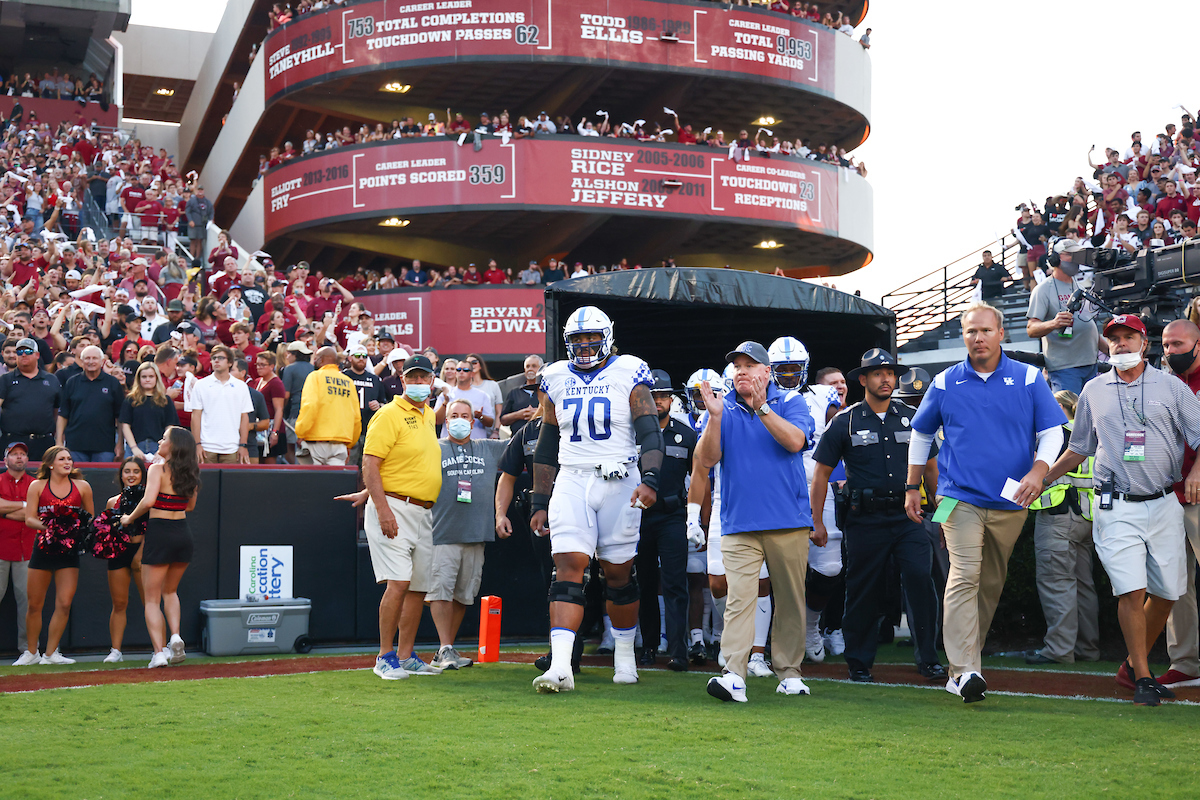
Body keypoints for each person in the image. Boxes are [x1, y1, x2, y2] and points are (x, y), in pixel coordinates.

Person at [906, 303, 1066, 704]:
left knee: (990, 584)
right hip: (957, 498)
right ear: (963, 336)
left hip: (1013, 500)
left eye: (984, 330)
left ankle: (965, 663)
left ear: (1001, 333)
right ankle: (965, 670)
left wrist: (1038, 472)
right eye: (969, 331)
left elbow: (1052, 433)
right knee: (963, 574)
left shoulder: (1029, 377)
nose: (977, 338)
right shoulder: (944, 381)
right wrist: (913, 487)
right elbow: (921, 436)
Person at [1043, 314, 1200, 705]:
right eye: (1114, 339)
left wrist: (1197, 471)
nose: (1121, 345)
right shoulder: (1093, 390)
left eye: (1129, 338)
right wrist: (1044, 477)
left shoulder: (1173, 387)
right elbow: (1080, 447)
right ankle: (1143, 677)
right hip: (1115, 503)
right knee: (1131, 590)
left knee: (1168, 592)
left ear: (1143, 343)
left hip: (1165, 501)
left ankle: (1132, 664)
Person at [529, 306, 664, 692]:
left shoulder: (630, 370)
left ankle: (624, 653)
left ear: (607, 336)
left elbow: (649, 430)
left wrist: (651, 478)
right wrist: (540, 500)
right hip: (572, 478)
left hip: (619, 478)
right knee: (568, 566)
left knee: (618, 573)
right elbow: (548, 440)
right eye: (577, 340)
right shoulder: (554, 376)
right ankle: (560, 667)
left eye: (591, 338)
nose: (585, 345)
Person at [812, 349, 946, 683]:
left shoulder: (913, 418)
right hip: (864, 520)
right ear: (863, 379)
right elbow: (820, 475)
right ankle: (858, 663)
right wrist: (817, 522)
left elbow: (934, 472)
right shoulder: (845, 421)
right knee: (862, 590)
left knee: (920, 581)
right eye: (877, 374)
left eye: (890, 373)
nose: (886, 379)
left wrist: (943, 518)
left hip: (909, 518)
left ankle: (929, 658)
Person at [695, 341, 816, 702]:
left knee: (791, 600)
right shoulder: (721, 407)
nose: (742, 371)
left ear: (767, 372)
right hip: (739, 522)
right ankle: (734, 673)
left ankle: (789, 673)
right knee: (739, 600)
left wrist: (761, 407)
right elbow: (707, 459)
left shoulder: (791, 401)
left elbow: (795, 441)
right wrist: (715, 417)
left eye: (751, 365)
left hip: (788, 520)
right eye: (737, 366)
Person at [337, 355, 444, 680]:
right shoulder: (388, 413)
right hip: (394, 507)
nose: (417, 383)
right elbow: (370, 463)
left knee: (416, 588)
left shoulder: (427, 415)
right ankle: (384, 656)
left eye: (423, 377)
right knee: (398, 583)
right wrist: (381, 507)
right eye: (412, 377)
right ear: (402, 377)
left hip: (423, 511)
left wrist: (372, 495)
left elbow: (401, 465)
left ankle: (406, 654)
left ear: (431, 380)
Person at [426, 399, 509, 670]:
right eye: (454, 416)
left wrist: (541, 409)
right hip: (441, 534)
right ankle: (444, 647)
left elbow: (521, 442)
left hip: (476, 535)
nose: (459, 420)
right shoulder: (432, 448)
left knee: (463, 595)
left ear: (472, 422)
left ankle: (447, 648)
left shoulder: (487, 447)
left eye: (465, 416)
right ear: (446, 421)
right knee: (440, 591)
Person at [1024, 390, 1100, 666]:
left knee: (1057, 583)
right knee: (1083, 584)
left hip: (1058, 516)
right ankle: (1087, 648)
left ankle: (1058, 649)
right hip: (1087, 519)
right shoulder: (1087, 433)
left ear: (1058, 406)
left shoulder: (1055, 436)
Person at [121, 427, 201, 668]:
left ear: (174, 445)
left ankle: (159, 653)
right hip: (182, 534)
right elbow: (190, 507)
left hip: (160, 532)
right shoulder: (192, 473)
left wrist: (128, 518)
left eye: (164, 438)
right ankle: (175, 636)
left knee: (152, 599)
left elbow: (148, 501)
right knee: (170, 591)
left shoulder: (156, 468)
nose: (159, 440)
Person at [636, 370, 697, 671]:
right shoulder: (630, 433)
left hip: (674, 516)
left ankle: (678, 651)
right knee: (644, 584)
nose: (658, 401)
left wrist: (699, 519)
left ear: (671, 399)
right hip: (638, 517)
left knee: (676, 584)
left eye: (663, 396)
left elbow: (700, 478)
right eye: (652, 396)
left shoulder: (686, 434)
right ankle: (648, 647)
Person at [21, 447, 94, 665]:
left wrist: (74, 530)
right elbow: (29, 518)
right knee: (34, 604)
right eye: (62, 459)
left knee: (64, 603)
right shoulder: (37, 486)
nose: (67, 462)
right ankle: (31, 652)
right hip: (43, 548)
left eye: (70, 458)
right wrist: (51, 527)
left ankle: (51, 654)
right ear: (50, 464)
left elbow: (90, 518)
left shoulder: (82, 487)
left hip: (69, 551)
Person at [1159, 320, 1200, 688]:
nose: (1172, 351)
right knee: (1176, 583)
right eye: (1166, 345)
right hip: (1169, 495)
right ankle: (1185, 661)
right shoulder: (1163, 382)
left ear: (1198, 344)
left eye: (1178, 343)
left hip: (1199, 495)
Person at [1026, 241, 1105, 393]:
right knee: (1070, 416)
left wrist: (1110, 350)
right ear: (1054, 259)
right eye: (1070, 255)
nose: (1076, 259)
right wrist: (1053, 324)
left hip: (1090, 365)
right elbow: (1031, 328)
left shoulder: (1080, 288)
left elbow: (1088, 326)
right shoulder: (1042, 290)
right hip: (1065, 369)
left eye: (1078, 255)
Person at [101, 457, 148, 663]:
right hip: (119, 552)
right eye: (127, 471)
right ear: (121, 475)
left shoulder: (149, 498)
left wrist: (140, 554)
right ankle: (116, 651)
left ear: (142, 475)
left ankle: (161, 647)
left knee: (151, 602)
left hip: (143, 552)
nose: (131, 475)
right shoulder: (113, 501)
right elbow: (106, 530)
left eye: (136, 471)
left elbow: (154, 529)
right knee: (119, 603)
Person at [56, 345, 125, 463]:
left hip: (104, 446)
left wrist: (120, 444)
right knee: (77, 480)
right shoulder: (72, 382)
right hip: (75, 446)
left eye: (94, 358)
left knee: (102, 481)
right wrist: (58, 441)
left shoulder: (112, 383)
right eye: (87, 358)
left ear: (102, 361)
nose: (91, 361)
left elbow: (120, 417)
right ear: (82, 361)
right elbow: (63, 415)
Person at [294, 346, 361, 466]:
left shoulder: (315, 377)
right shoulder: (348, 382)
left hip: (315, 442)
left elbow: (310, 406)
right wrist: (350, 443)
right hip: (340, 443)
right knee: (334, 483)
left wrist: (301, 433)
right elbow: (356, 417)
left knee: (311, 483)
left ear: (320, 360)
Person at [187, 345, 252, 464]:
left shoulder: (241, 386)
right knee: (204, 482)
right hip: (206, 446)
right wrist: (197, 444)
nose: (216, 360)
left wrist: (243, 444)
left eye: (221, 358)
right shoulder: (201, 385)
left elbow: (244, 417)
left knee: (231, 482)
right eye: (214, 358)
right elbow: (196, 416)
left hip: (232, 447)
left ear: (230, 363)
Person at [0, 338, 61, 460]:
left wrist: (59, 440)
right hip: (13, 441)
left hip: (43, 441)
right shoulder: (5, 379)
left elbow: (56, 412)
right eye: (19, 352)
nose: (23, 355)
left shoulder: (52, 380)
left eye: (28, 351)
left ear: (37, 355)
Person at [2, 442, 35, 664]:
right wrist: (24, 506)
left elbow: (35, 513)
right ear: (6, 459)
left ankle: (28, 650)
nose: (19, 458)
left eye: (22, 454)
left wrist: (7, 511)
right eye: (15, 454)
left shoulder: (35, 483)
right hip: (2, 548)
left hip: (28, 549)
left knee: (28, 601)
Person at [120, 362, 180, 461]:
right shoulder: (131, 399)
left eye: (151, 376)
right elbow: (125, 425)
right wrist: (134, 448)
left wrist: (162, 450)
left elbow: (170, 426)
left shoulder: (165, 400)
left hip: (158, 447)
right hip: (135, 447)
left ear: (156, 378)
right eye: (144, 376)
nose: (147, 379)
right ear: (139, 379)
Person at [342, 345, 384, 465]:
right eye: (357, 356)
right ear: (350, 358)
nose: (361, 359)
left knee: (367, 468)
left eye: (364, 356)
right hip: (348, 430)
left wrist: (379, 405)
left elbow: (384, 402)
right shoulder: (343, 377)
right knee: (349, 467)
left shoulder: (375, 379)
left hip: (369, 430)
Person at [434, 360, 494, 439]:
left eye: (465, 370)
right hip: (449, 444)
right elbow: (436, 420)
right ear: (455, 373)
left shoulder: (482, 395)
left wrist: (480, 416)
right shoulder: (446, 394)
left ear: (471, 374)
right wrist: (445, 402)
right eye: (458, 370)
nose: (461, 372)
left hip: (475, 443)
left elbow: (490, 423)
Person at [499, 355, 542, 436]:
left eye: (534, 366)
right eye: (527, 366)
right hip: (518, 440)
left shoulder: (546, 391)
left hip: (540, 439)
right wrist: (518, 414)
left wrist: (539, 413)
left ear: (541, 369)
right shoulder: (514, 392)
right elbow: (503, 420)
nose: (530, 369)